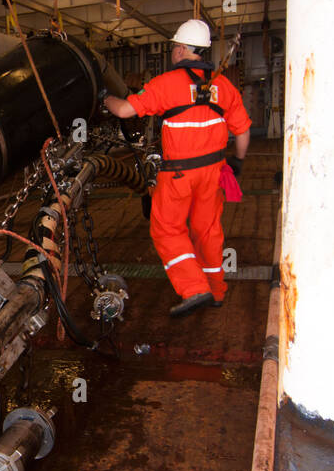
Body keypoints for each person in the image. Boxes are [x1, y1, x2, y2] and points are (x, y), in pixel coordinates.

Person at [104, 19, 251, 316]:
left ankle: (195, 289)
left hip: (178, 175)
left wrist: (103, 98)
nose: (173, 52)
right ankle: (216, 290)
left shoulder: (165, 84)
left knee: (167, 230)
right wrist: (237, 161)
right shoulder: (223, 86)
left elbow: (123, 110)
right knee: (207, 231)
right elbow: (244, 132)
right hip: (213, 172)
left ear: (182, 49)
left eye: (174, 47)